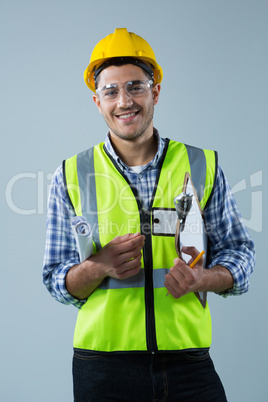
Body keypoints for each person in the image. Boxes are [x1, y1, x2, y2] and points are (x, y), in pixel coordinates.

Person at [43, 28, 255, 401]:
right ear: (97, 101)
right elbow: (55, 280)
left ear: (155, 91)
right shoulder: (71, 175)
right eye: (111, 91)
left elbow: (240, 252)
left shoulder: (200, 165)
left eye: (135, 87)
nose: (124, 101)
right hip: (102, 367)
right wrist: (97, 267)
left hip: (188, 361)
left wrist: (202, 280)